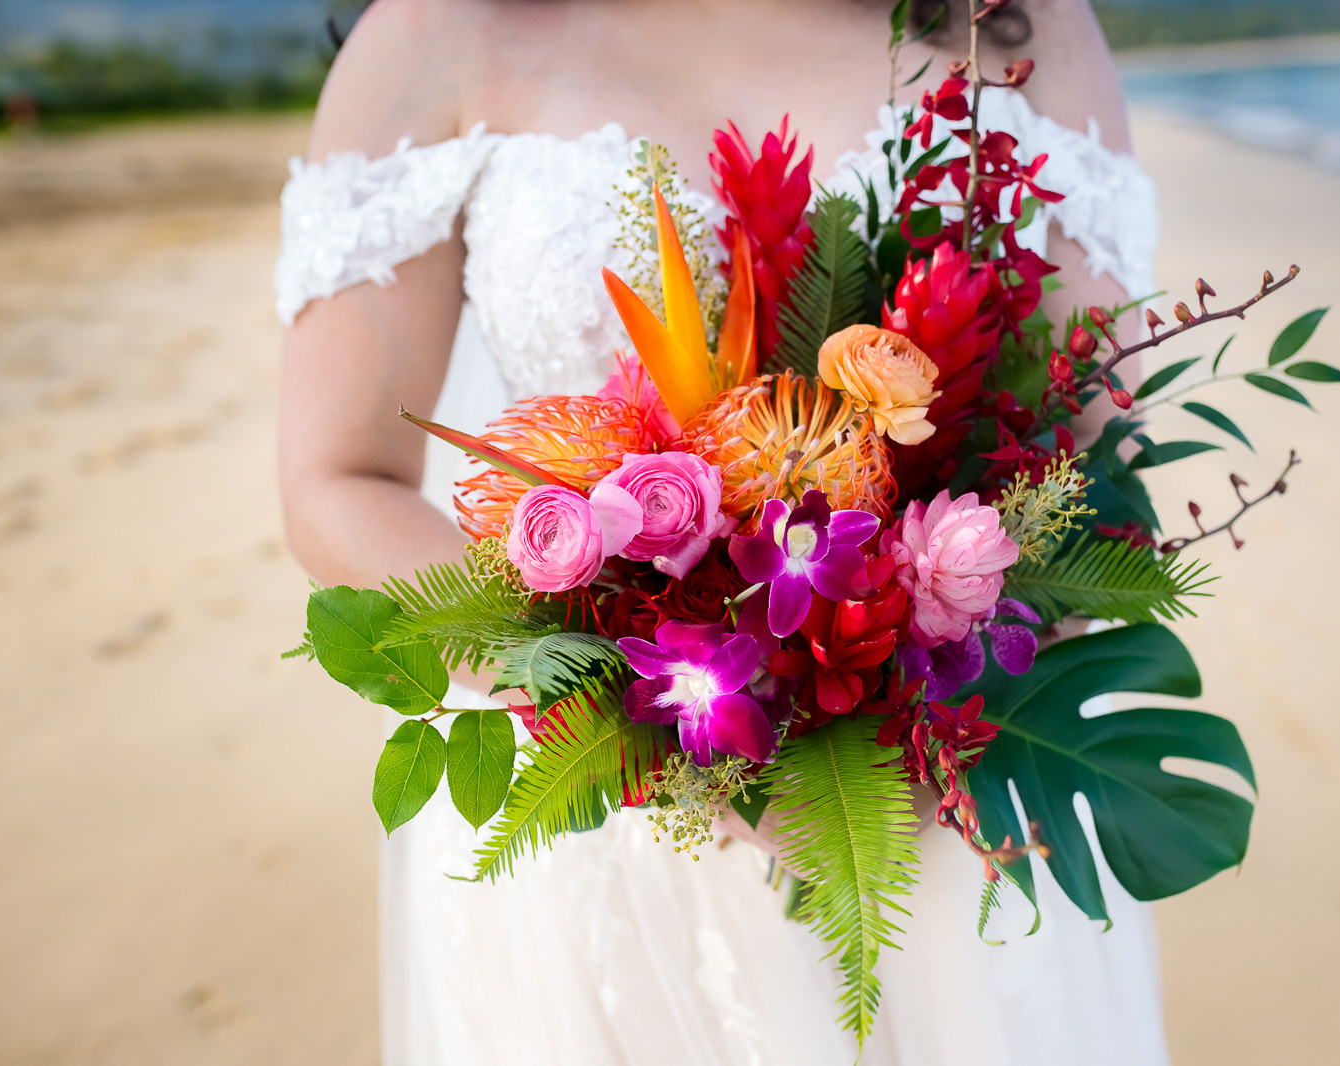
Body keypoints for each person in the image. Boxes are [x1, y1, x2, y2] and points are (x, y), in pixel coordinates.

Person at [276, 1, 1164, 1062]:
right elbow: (338, 477)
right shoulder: (438, 34)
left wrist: (930, 670)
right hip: (595, 831)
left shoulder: (1013, 19)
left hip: (934, 805)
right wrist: (649, 714)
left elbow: (1103, 459)